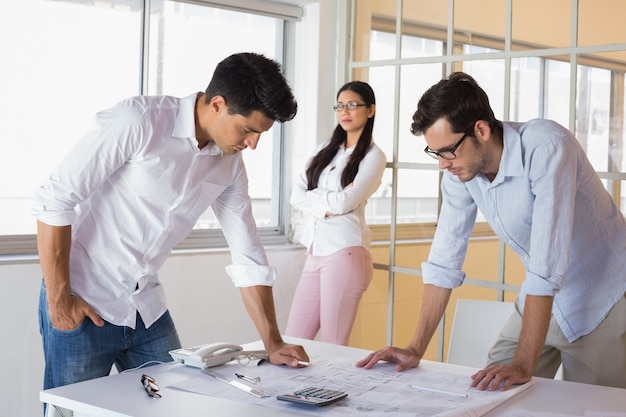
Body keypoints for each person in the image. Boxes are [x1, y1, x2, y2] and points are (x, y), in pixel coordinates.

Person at [32, 52, 310, 395]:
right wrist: (59, 303)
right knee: (71, 410)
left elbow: (247, 254)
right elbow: (55, 200)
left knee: (176, 403)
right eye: (249, 130)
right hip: (85, 301)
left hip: (145, 308)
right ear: (218, 105)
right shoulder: (138, 121)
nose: (252, 144)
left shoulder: (230, 165)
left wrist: (273, 342)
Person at [356, 72, 626, 390]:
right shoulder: (460, 171)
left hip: (605, 297)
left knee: (593, 408)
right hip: (541, 297)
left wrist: (524, 365)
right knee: (490, 391)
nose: (442, 164)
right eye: (435, 153)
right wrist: (415, 348)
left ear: (480, 130)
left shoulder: (546, 145)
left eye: (447, 151)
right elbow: (444, 259)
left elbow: (546, 263)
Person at [285, 81, 386, 345]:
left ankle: (335, 389)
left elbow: (345, 204)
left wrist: (318, 197)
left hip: (346, 253)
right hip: (315, 253)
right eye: (340, 105)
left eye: (353, 105)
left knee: (332, 347)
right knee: (293, 342)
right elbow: (296, 196)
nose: (345, 111)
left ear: (370, 110)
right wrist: (331, 201)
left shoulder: (374, 157)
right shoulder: (323, 150)